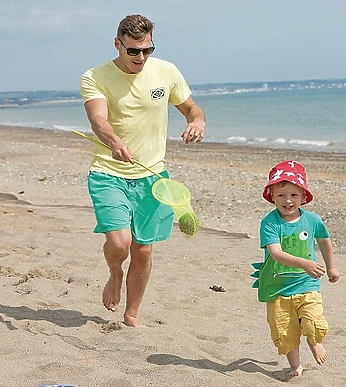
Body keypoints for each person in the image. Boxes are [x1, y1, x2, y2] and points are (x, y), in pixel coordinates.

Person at [79, 14, 206, 327]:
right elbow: (97, 120)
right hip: (109, 172)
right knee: (121, 243)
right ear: (117, 44)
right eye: (133, 50)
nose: (140, 57)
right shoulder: (95, 76)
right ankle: (113, 272)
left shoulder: (166, 71)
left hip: (152, 177)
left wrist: (197, 121)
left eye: (146, 50)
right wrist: (114, 141)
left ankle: (131, 314)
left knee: (143, 250)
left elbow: (192, 107)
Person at [252, 160, 340, 378]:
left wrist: (331, 268)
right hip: (277, 286)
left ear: (303, 196)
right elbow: (276, 253)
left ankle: (314, 342)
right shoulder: (269, 223)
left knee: (311, 318)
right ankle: (296, 366)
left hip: (306, 282)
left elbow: (324, 241)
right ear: (271, 195)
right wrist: (305, 263)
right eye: (281, 195)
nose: (288, 201)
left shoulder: (312, 220)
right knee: (286, 330)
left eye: (294, 195)